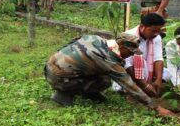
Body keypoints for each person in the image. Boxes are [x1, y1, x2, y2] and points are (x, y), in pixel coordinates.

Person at [44, 33, 173, 116]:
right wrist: (156, 107)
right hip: (59, 78)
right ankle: (62, 95)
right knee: (105, 81)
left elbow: (74, 40)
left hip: (50, 66)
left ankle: (86, 91)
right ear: (122, 47)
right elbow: (128, 85)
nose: (131, 55)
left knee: (103, 76)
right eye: (131, 52)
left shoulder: (97, 38)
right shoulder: (107, 58)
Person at [123, 13, 166, 95]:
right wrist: (144, 85)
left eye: (158, 31)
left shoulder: (157, 37)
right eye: (153, 31)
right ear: (142, 26)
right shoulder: (129, 36)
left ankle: (152, 84)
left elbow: (158, 58)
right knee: (140, 63)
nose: (156, 34)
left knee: (166, 73)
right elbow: (126, 63)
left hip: (146, 68)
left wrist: (158, 80)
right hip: (131, 70)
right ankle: (137, 87)